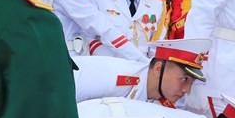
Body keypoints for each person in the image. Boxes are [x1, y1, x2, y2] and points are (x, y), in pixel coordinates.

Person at [73, 38, 211, 107]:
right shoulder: (114, 77)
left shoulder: (162, 102)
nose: (187, 90)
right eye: (184, 79)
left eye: (191, 83)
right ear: (158, 69)